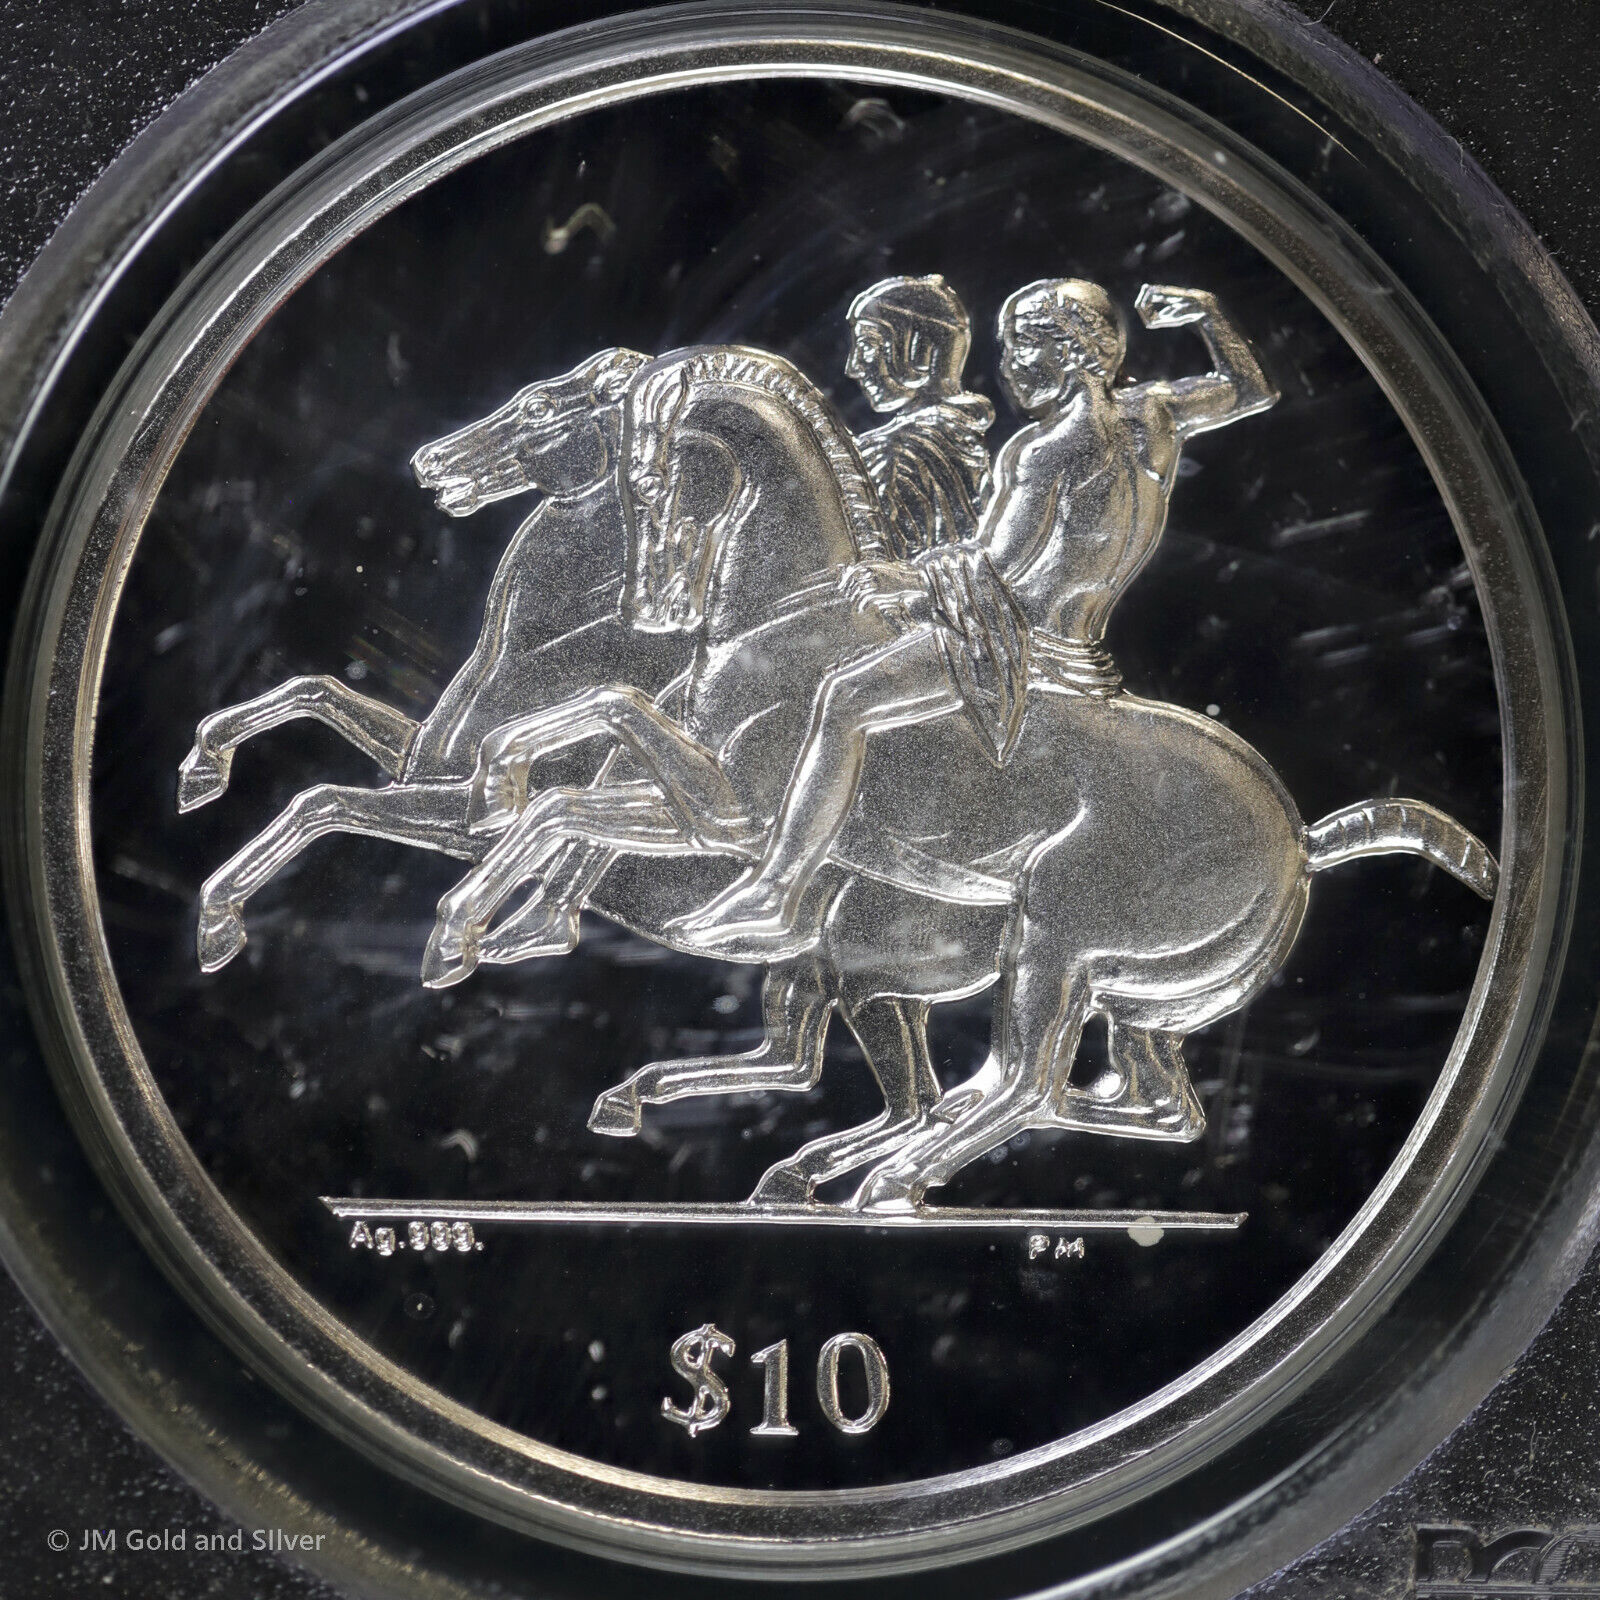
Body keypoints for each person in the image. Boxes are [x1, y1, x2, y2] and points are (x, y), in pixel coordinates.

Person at [668, 277, 1279, 958]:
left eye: (1020, 348)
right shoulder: (1153, 416)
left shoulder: (1043, 451)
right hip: (1083, 647)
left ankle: (777, 889)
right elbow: (1250, 390)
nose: (1010, 369)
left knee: (843, 697)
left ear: (1066, 350)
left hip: (1020, 644)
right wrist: (1208, 312)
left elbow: (1001, 567)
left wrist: (906, 579)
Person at [844, 274, 994, 556]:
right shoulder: (960, 436)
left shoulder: (893, 454)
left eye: (867, 345)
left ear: (917, 350)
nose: (853, 367)